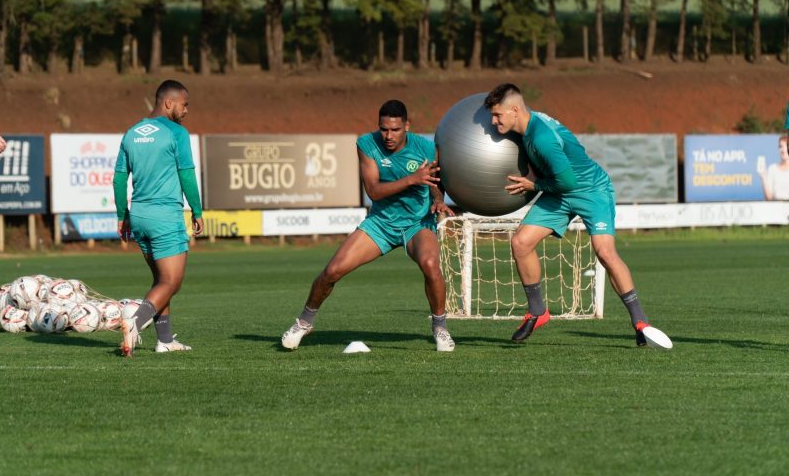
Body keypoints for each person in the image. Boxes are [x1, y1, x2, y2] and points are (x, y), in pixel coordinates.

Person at [483, 83, 668, 346]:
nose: (493, 121)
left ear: (514, 110)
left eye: (497, 115)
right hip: (559, 190)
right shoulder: (526, 125)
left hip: (591, 190)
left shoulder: (541, 137)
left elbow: (568, 181)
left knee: (605, 252)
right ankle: (538, 311)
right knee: (520, 242)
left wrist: (533, 185)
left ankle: (640, 322)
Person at [281, 99, 457, 352]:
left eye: (395, 130)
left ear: (406, 126)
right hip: (381, 224)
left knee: (430, 264)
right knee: (332, 271)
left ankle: (440, 328)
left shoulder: (426, 148)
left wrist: (438, 200)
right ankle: (305, 322)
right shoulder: (366, 144)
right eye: (384, 129)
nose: (388, 136)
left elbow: (434, 183)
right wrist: (411, 179)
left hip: (417, 223)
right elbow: (374, 190)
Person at [113, 79, 204, 357]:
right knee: (171, 282)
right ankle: (135, 323)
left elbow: (119, 178)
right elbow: (186, 174)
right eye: (184, 104)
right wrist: (197, 211)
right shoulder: (176, 133)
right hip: (165, 216)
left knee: (160, 281)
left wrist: (122, 215)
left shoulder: (131, 133)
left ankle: (164, 340)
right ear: (169, 103)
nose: (186, 110)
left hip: (139, 216)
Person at [758, 136, 789, 200]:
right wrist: (763, 178)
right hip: (777, 208)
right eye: (780, 146)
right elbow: (768, 198)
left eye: (786, 146)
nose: (783, 150)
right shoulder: (772, 169)